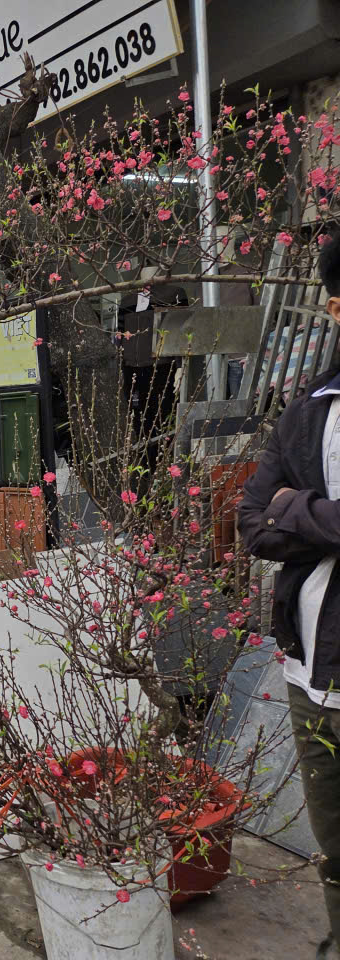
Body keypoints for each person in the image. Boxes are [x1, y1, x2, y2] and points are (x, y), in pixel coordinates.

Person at [238, 232, 340, 960]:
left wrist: (297, 509)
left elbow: (276, 514)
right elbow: (252, 522)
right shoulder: (310, 412)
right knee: (336, 852)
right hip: (316, 678)